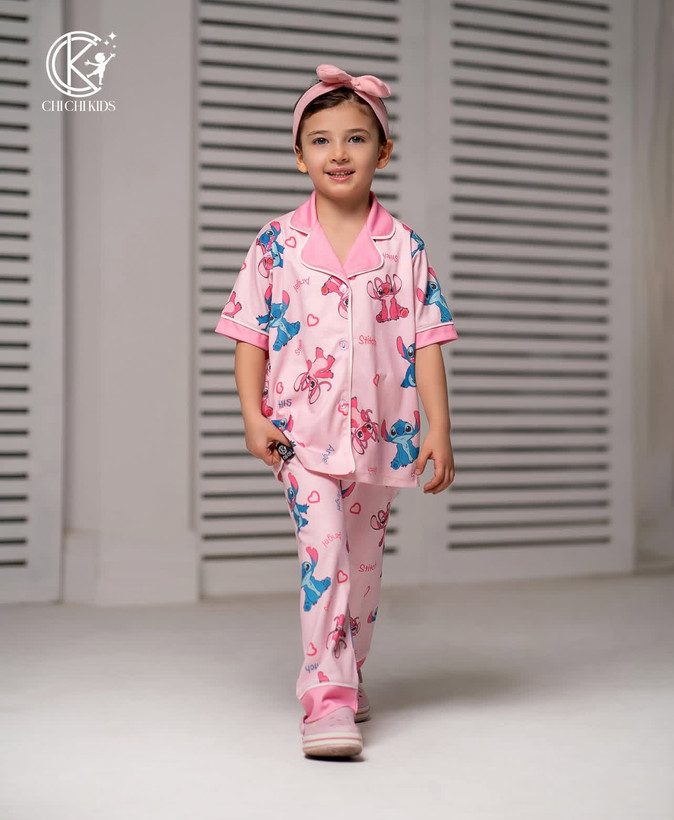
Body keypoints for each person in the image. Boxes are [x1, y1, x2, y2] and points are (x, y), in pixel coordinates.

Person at [215, 64, 457, 758]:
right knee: (324, 554)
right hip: (300, 434)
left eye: (356, 138)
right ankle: (326, 699)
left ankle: (349, 670)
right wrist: (251, 415)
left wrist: (440, 429)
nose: (339, 153)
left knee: (364, 565)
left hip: (385, 435)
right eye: (321, 141)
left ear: (384, 151)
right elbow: (249, 335)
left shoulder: (403, 247)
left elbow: (427, 342)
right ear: (300, 156)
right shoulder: (275, 244)